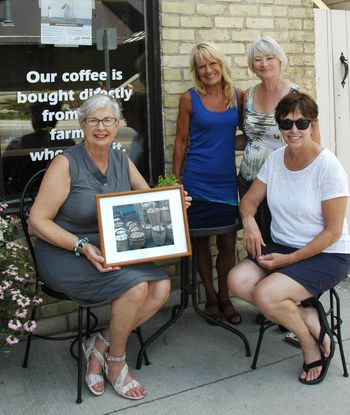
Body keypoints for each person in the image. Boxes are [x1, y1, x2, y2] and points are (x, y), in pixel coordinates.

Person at [29, 94, 190, 400]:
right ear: (82, 125)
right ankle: (117, 362)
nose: (100, 127)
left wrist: (174, 202)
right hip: (67, 252)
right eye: (93, 120)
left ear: (117, 126)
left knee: (160, 286)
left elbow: (147, 200)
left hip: (111, 249)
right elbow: (37, 221)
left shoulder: (121, 159)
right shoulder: (66, 163)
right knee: (136, 288)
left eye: (107, 121)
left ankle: (99, 343)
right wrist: (81, 246)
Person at [228, 91, 350, 385]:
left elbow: (333, 232)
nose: (293, 130)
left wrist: (290, 259)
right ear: (278, 126)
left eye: (301, 123)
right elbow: (249, 202)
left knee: (266, 294)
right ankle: (307, 313)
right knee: (237, 280)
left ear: (313, 124)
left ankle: (312, 346)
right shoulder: (275, 159)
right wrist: (249, 222)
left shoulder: (328, 166)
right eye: (286, 123)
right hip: (282, 244)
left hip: (327, 253)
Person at [173, 41, 243, 325]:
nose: (207, 70)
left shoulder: (238, 97)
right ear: (196, 71)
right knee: (201, 244)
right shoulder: (189, 98)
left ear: (221, 64)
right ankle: (211, 297)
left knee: (227, 244)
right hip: (196, 182)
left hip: (226, 183)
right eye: (201, 66)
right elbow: (180, 142)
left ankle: (226, 296)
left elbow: (249, 135)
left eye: (212, 63)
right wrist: (175, 183)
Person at [238, 36, 320, 241]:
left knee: (282, 240)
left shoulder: (296, 94)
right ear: (251, 64)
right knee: (256, 241)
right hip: (249, 181)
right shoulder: (248, 94)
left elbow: (314, 142)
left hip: (282, 182)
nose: (264, 64)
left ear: (280, 60)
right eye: (258, 59)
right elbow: (249, 137)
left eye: (270, 57)